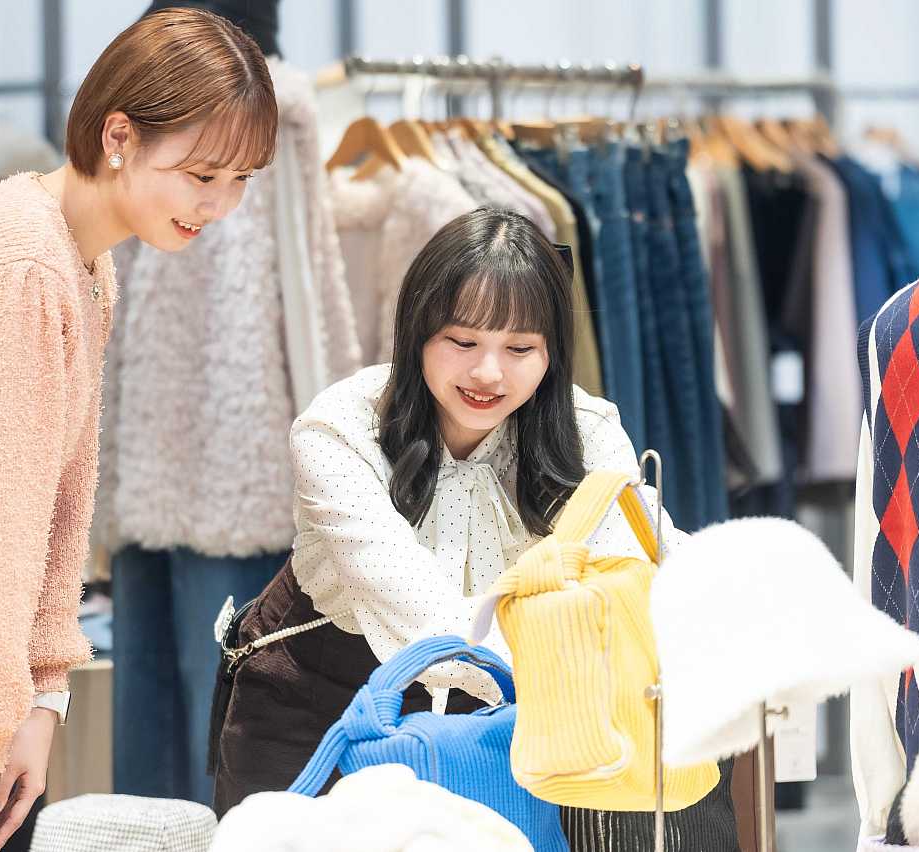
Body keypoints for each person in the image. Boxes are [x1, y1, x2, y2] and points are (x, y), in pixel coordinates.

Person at [0, 9, 277, 852]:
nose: (221, 205)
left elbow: (59, 501)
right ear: (119, 135)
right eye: (201, 174)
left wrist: (44, 692)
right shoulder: (19, 266)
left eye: (240, 179)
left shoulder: (80, 257)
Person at [211, 208, 740, 849]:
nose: (489, 373)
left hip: (516, 726)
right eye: (462, 342)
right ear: (417, 332)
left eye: (520, 349)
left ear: (552, 351)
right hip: (323, 707)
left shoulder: (588, 430)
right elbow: (422, 612)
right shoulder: (340, 430)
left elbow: (633, 561)